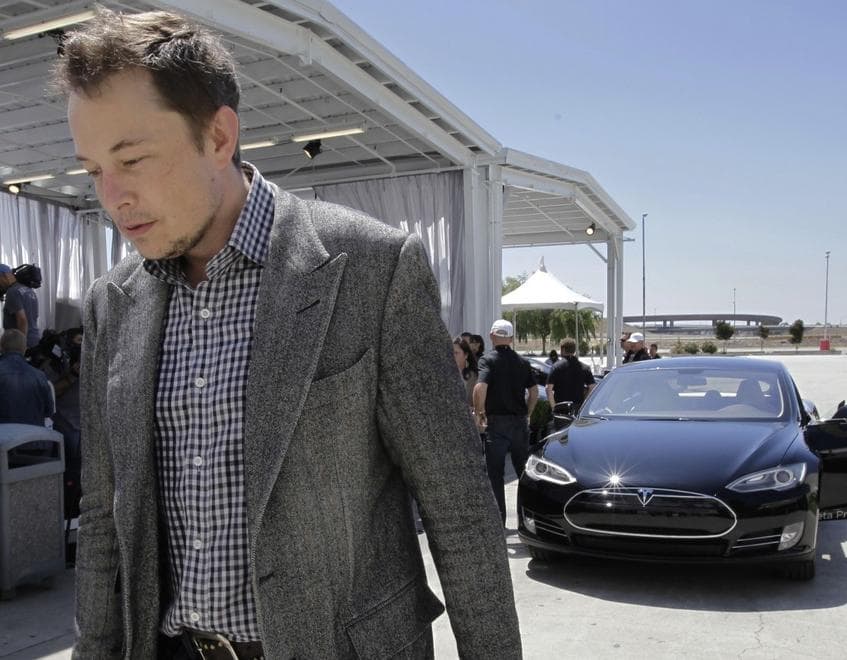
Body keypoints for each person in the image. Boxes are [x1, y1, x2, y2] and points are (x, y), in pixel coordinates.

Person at [56, 9, 519, 659]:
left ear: (218, 137)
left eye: (132, 159)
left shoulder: (372, 270)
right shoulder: (113, 301)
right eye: (93, 169)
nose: (113, 196)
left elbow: (458, 509)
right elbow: (106, 516)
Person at [474, 319, 537, 523]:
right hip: (519, 423)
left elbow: (480, 387)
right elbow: (534, 391)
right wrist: (528, 413)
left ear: (492, 336)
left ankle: (499, 521)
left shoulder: (487, 360)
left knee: (495, 474)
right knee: (524, 475)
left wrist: (479, 412)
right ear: (510, 338)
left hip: (497, 423)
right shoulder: (523, 362)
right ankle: (526, 519)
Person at [0, 329, 54, 426]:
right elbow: (49, 411)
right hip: (34, 438)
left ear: (1, 348)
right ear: (25, 349)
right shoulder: (40, 376)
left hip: (3, 438)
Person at [546, 338, 596, 422]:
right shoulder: (584, 367)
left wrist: (554, 408)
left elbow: (548, 388)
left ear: (563, 349)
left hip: (561, 409)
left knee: (561, 433)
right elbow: (592, 387)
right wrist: (584, 401)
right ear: (574, 350)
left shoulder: (556, 367)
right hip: (578, 408)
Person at [0, 264, 41, 348]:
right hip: (33, 338)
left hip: (19, 343)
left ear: (3, 276)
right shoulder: (28, 290)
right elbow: (34, 316)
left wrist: (21, 347)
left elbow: (22, 320)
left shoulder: (12, 292)